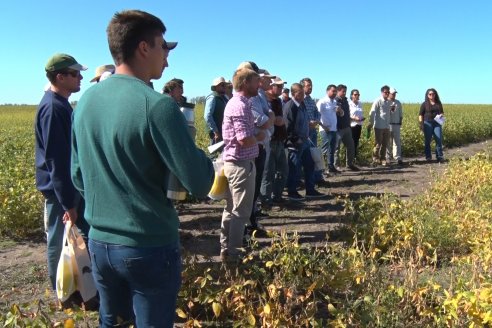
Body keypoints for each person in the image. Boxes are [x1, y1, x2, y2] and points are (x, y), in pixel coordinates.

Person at [71, 10, 214, 327]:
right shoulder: (159, 106)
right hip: (147, 245)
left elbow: (79, 177)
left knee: (113, 321)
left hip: (100, 242)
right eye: (163, 47)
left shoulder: (85, 103)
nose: (167, 59)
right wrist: (196, 151)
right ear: (143, 48)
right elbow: (200, 182)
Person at [34, 53, 90, 291]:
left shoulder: (61, 104)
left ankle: (74, 286)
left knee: (70, 238)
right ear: (60, 77)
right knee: (59, 241)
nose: (81, 78)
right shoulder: (53, 108)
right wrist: (68, 203)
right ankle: (61, 291)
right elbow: (56, 159)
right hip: (59, 193)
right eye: (75, 74)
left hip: (66, 190)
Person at [220, 67, 265, 261]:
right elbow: (244, 138)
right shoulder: (239, 105)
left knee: (231, 208)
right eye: (256, 81)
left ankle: (226, 248)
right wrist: (259, 135)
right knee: (240, 211)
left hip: (236, 163)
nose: (259, 85)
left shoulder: (239, 103)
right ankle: (234, 253)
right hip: (240, 164)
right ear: (246, 83)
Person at [284, 83, 325, 200]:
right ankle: (292, 192)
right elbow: (288, 128)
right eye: (300, 93)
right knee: (294, 168)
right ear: (293, 93)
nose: (302, 95)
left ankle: (310, 190)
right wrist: (295, 141)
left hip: (305, 141)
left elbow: (303, 121)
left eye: (303, 93)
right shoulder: (290, 107)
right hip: (295, 143)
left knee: (310, 165)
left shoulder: (301, 105)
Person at [260, 77, 288, 205]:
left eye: (282, 86)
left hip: (279, 140)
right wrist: (275, 120)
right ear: (272, 86)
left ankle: (277, 196)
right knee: (268, 172)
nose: (281, 89)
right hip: (269, 141)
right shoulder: (264, 100)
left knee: (282, 170)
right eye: (279, 86)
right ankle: (266, 200)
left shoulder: (278, 101)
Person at [301, 77, 325, 185]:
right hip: (304, 132)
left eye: (311, 85)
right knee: (303, 157)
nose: (310, 87)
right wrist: (307, 123)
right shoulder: (300, 100)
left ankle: (316, 178)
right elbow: (299, 116)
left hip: (313, 131)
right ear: (302, 86)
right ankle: (301, 180)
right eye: (308, 85)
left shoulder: (310, 99)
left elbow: (317, 112)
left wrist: (316, 120)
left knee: (314, 155)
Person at [318, 84, 344, 174]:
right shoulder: (322, 102)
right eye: (333, 91)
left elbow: (341, 114)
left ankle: (331, 166)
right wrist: (323, 126)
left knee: (332, 149)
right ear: (327, 91)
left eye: (335, 91)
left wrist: (340, 111)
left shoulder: (334, 102)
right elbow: (317, 115)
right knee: (325, 149)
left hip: (333, 129)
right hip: (325, 130)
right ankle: (321, 169)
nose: (334, 93)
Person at [335, 84, 359, 171]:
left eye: (345, 91)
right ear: (338, 91)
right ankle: (336, 166)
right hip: (338, 128)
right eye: (343, 91)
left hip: (346, 127)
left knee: (351, 145)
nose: (344, 93)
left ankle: (349, 164)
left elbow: (347, 114)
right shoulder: (335, 100)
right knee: (336, 148)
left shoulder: (345, 101)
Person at [367, 85, 391, 166]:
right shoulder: (378, 101)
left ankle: (383, 158)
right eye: (385, 92)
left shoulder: (388, 102)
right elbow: (372, 112)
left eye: (388, 92)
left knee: (385, 144)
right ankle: (375, 158)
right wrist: (370, 122)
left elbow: (388, 113)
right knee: (377, 144)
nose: (387, 94)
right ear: (382, 92)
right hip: (378, 126)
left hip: (387, 126)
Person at [419, 88, 445, 162]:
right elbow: (420, 115)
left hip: (437, 123)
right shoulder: (424, 104)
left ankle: (439, 156)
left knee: (439, 139)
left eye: (433, 94)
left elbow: (442, 113)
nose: (432, 95)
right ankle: (428, 157)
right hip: (427, 123)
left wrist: (441, 117)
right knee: (428, 140)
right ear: (427, 95)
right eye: (430, 94)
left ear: (435, 94)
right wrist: (421, 124)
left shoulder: (438, 103)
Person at [204, 77, 228, 144]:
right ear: (216, 87)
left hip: (224, 132)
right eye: (222, 85)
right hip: (216, 133)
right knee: (214, 152)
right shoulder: (212, 98)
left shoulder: (224, 98)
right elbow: (207, 116)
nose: (225, 87)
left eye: (225, 85)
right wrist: (216, 132)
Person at [386, 87, 404, 165]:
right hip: (388, 124)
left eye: (395, 94)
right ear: (389, 93)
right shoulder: (386, 102)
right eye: (392, 93)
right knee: (387, 142)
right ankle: (387, 158)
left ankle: (398, 157)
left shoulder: (398, 103)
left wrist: (400, 122)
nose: (394, 95)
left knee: (397, 142)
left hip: (396, 124)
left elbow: (400, 114)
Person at [349, 89, 364, 161]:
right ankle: (350, 159)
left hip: (359, 125)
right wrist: (354, 119)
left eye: (358, 94)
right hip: (352, 126)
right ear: (352, 95)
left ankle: (354, 158)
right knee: (351, 143)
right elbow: (346, 116)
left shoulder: (360, 104)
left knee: (356, 142)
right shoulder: (349, 104)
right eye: (355, 94)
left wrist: (361, 118)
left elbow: (360, 114)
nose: (357, 96)